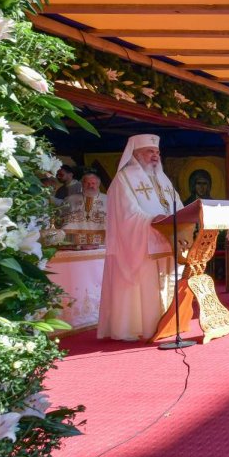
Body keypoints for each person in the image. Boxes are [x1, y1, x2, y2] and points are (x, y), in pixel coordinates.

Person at [98, 134, 183, 341]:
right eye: (149, 151)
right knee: (144, 284)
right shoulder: (123, 179)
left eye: (157, 152)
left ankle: (166, 324)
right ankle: (137, 327)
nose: (155, 156)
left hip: (165, 240)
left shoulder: (162, 178)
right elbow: (126, 215)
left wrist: (182, 219)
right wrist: (153, 220)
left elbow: (179, 206)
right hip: (139, 244)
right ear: (135, 154)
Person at [59, 172, 108, 248]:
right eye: (87, 183)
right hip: (75, 241)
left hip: (102, 241)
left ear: (98, 184)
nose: (90, 186)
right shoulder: (69, 199)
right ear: (82, 184)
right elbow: (60, 217)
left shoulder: (108, 199)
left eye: (93, 183)